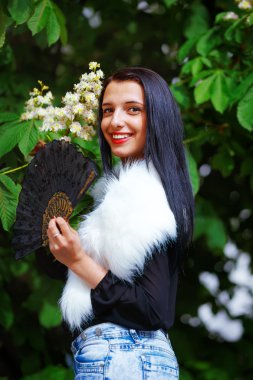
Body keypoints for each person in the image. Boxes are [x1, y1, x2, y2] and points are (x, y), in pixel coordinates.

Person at [47, 67, 194, 379]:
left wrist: (78, 259)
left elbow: (153, 310)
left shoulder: (144, 193)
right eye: (107, 110)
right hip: (127, 356)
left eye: (133, 110)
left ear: (157, 118)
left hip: (123, 355)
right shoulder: (132, 191)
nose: (115, 122)